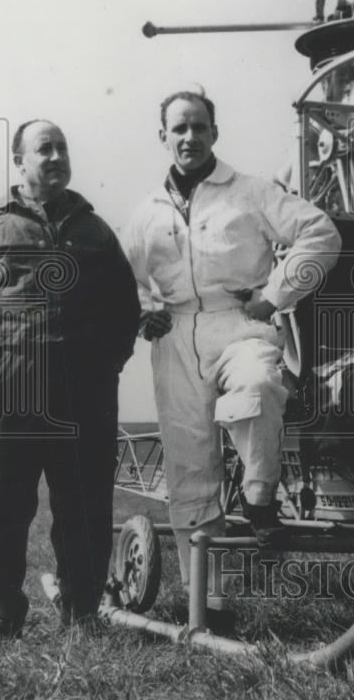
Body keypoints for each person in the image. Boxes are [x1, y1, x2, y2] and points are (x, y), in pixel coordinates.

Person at [124, 87, 341, 620]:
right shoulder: (147, 211)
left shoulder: (249, 191)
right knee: (189, 465)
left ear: (214, 133)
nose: (190, 137)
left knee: (260, 388)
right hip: (175, 336)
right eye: (179, 128)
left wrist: (276, 295)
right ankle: (211, 604)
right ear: (163, 137)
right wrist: (141, 309)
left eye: (199, 127)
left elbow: (321, 233)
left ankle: (259, 496)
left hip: (243, 323)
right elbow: (121, 275)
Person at [0, 120, 140, 638]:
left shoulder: (96, 230)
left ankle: (81, 612)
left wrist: (107, 366)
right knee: (4, 505)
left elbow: (125, 306)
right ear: (20, 162)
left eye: (62, 147)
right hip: (13, 392)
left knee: (85, 505)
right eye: (43, 148)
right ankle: (1, 614)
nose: (55, 156)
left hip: (84, 394)